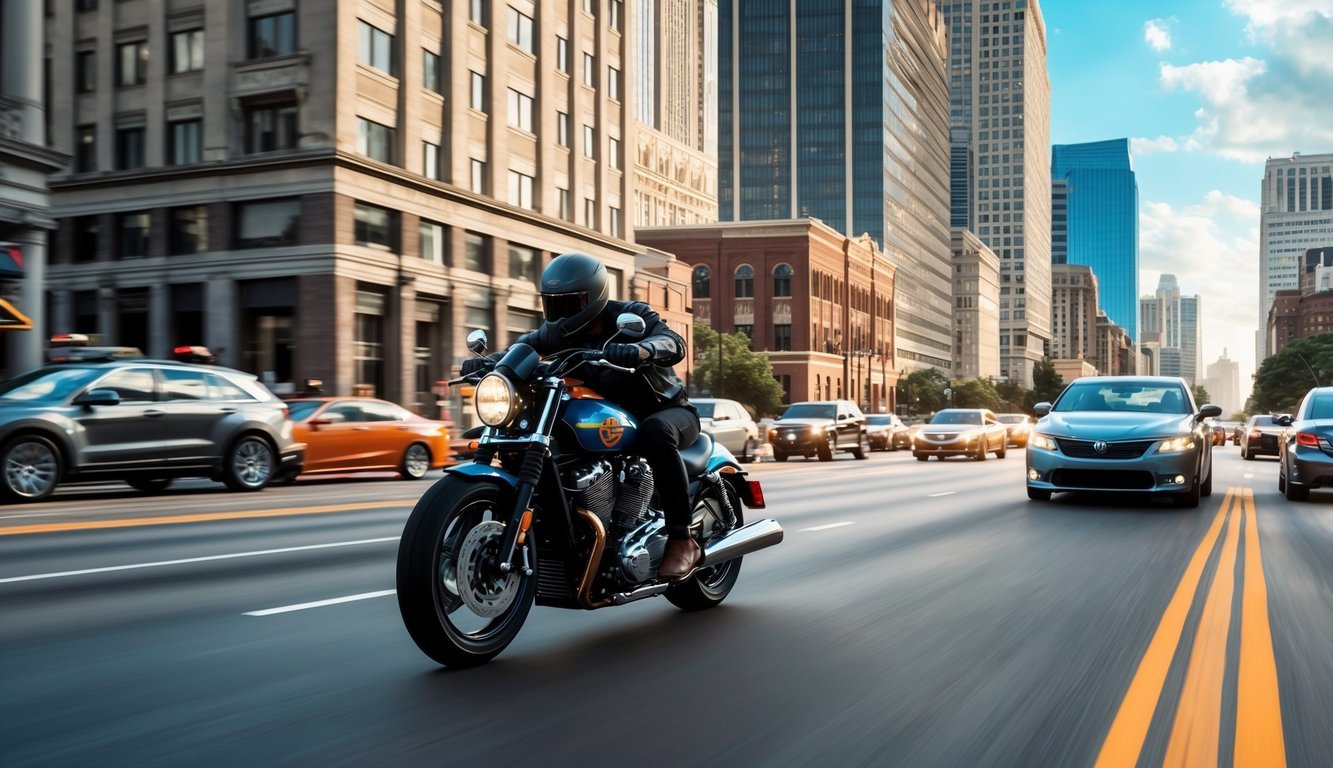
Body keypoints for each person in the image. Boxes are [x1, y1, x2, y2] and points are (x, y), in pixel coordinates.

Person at [461, 252, 703, 580]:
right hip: (610, 416)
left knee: (655, 432)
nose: (560, 315)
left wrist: (642, 350)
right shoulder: (555, 333)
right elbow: (524, 348)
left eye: (569, 304)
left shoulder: (631, 315)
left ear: (593, 297)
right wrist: (493, 364)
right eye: (553, 305)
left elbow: (672, 341)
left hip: (666, 410)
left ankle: (681, 538)